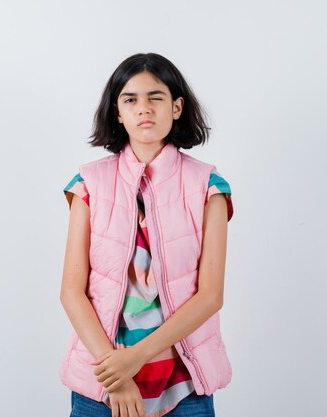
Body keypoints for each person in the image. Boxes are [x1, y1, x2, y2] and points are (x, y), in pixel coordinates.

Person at [59, 52, 234, 417]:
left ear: (177, 107)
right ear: (117, 113)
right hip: (102, 385)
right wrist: (117, 375)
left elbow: (210, 296)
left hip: (184, 386)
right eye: (130, 99)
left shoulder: (209, 186)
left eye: (156, 97)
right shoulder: (88, 183)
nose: (144, 109)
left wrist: (133, 359)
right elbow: (72, 292)